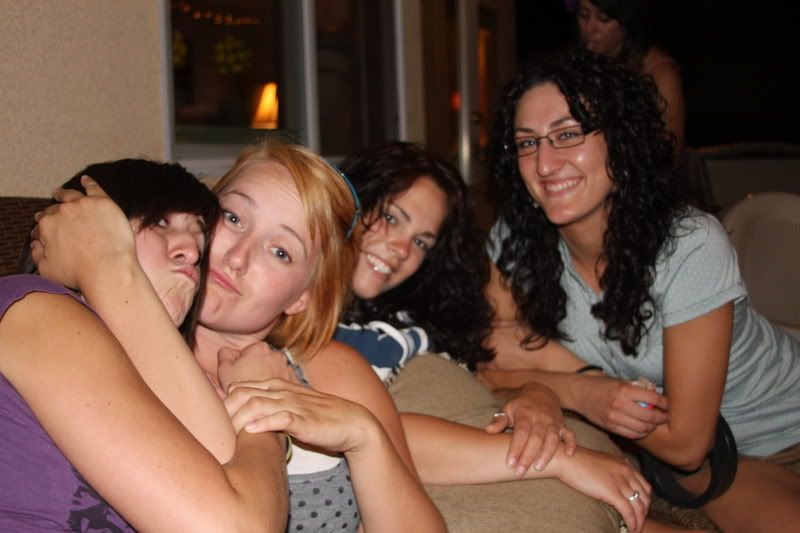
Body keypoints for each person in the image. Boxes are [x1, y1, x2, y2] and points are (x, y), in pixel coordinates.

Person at [32, 140, 447, 533]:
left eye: (281, 251)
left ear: (302, 297)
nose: (237, 258)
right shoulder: (99, 344)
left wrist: (365, 438)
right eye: (233, 218)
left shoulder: (331, 368)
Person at [478, 49, 800, 532]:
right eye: (527, 143)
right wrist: (582, 389)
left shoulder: (687, 244)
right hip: (708, 462)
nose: (544, 163)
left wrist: (558, 372)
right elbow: (489, 363)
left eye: (567, 134)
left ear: (620, 141)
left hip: (781, 427)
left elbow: (685, 442)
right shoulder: (515, 240)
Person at [334, 141, 653, 532]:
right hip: (513, 488)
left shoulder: (408, 316)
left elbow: (470, 396)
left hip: (560, 478)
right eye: (391, 217)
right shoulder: (305, 324)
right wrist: (559, 460)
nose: (402, 249)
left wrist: (534, 395)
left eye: (421, 242)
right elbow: (373, 433)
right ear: (350, 202)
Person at [2, 159, 288, 531]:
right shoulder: (33, 309)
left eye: (199, 236)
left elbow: (227, 467)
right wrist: (262, 408)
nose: (192, 251)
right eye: (160, 223)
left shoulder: (166, 380)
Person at [575, 0, 684, 152]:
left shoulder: (660, 73)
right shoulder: (578, 62)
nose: (589, 29)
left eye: (604, 19)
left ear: (628, 21)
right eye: (584, 15)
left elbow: (672, 152)